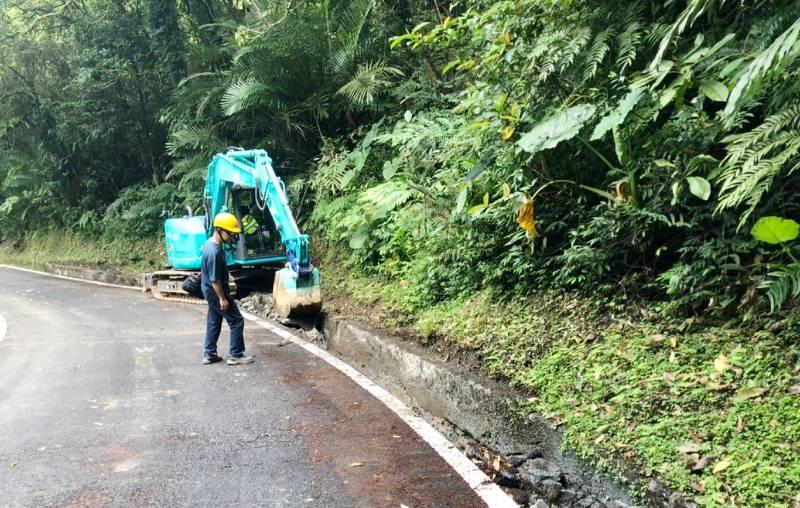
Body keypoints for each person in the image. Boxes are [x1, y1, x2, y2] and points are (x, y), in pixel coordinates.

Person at [200, 212, 254, 365]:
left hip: (208, 289)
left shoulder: (209, 245)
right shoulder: (214, 252)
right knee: (236, 320)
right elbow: (215, 280)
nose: (232, 237)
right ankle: (236, 355)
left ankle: (209, 353)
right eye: (230, 233)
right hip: (215, 291)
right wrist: (222, 298)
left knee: (214, 320)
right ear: (220, 230)